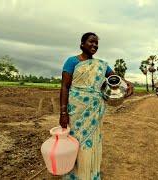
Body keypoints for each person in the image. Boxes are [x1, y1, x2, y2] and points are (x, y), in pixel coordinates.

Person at [59, 32, 133, 179]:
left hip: (95, 111)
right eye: (91, 42)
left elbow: (115, 77)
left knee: (92, 140)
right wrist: (63, 113)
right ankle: (75, 175)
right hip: (76, 110)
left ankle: (91, 173)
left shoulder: (101, 65)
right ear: (81, 44)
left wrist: (127, 83)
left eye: (96, 43)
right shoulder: (71, 62)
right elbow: (65, 87)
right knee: (76, 141)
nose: (94, 45)